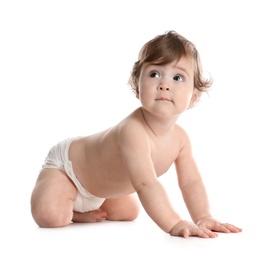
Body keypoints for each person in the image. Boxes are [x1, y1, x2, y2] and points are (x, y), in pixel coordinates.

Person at [31, 30, 242, 238]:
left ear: (194, 96)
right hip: (69, 169)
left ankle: (87, 206)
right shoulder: (133, 130)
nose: (164, 85)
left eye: (178, 77)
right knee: (52, 217)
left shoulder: (181, 140)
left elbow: (190, 182)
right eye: (154, 74)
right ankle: (74, 211)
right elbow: (145, 184)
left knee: (128, 212)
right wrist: (174, 223)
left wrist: (203, 216)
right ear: (137, 85)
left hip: (100, 188)